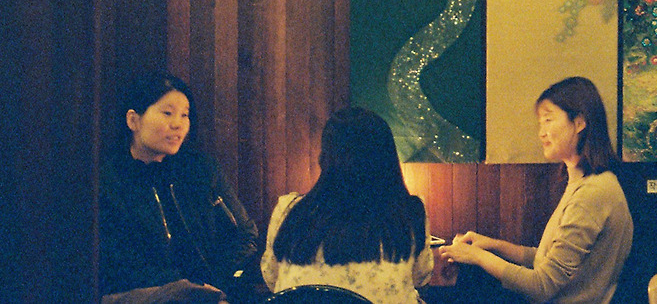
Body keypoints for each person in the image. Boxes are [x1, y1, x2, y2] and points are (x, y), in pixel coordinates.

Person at [437, 76, 633, 304]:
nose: (541, 132)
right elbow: (544, 259)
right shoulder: (585, 184)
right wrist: (491, 245)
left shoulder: (593, 193)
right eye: (541, 122)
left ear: (579, 123)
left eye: (548, 120)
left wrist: (478, 257)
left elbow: (541, 286)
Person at [100, 72, 262, 304]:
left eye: (184, 115)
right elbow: (118, 262)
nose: (177, 124)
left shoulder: (201, 169)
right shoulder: (109, 180)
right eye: (167, 113)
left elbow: (245, 235)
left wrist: (214, 284)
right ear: (133, 120)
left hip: (215, 292)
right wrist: (188, 290)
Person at [260, 106, 435, 302]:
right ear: (387, 160)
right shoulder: (410, 213)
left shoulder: (288, 210)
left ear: (324, 158)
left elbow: (271, 277)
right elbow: (421, 277)